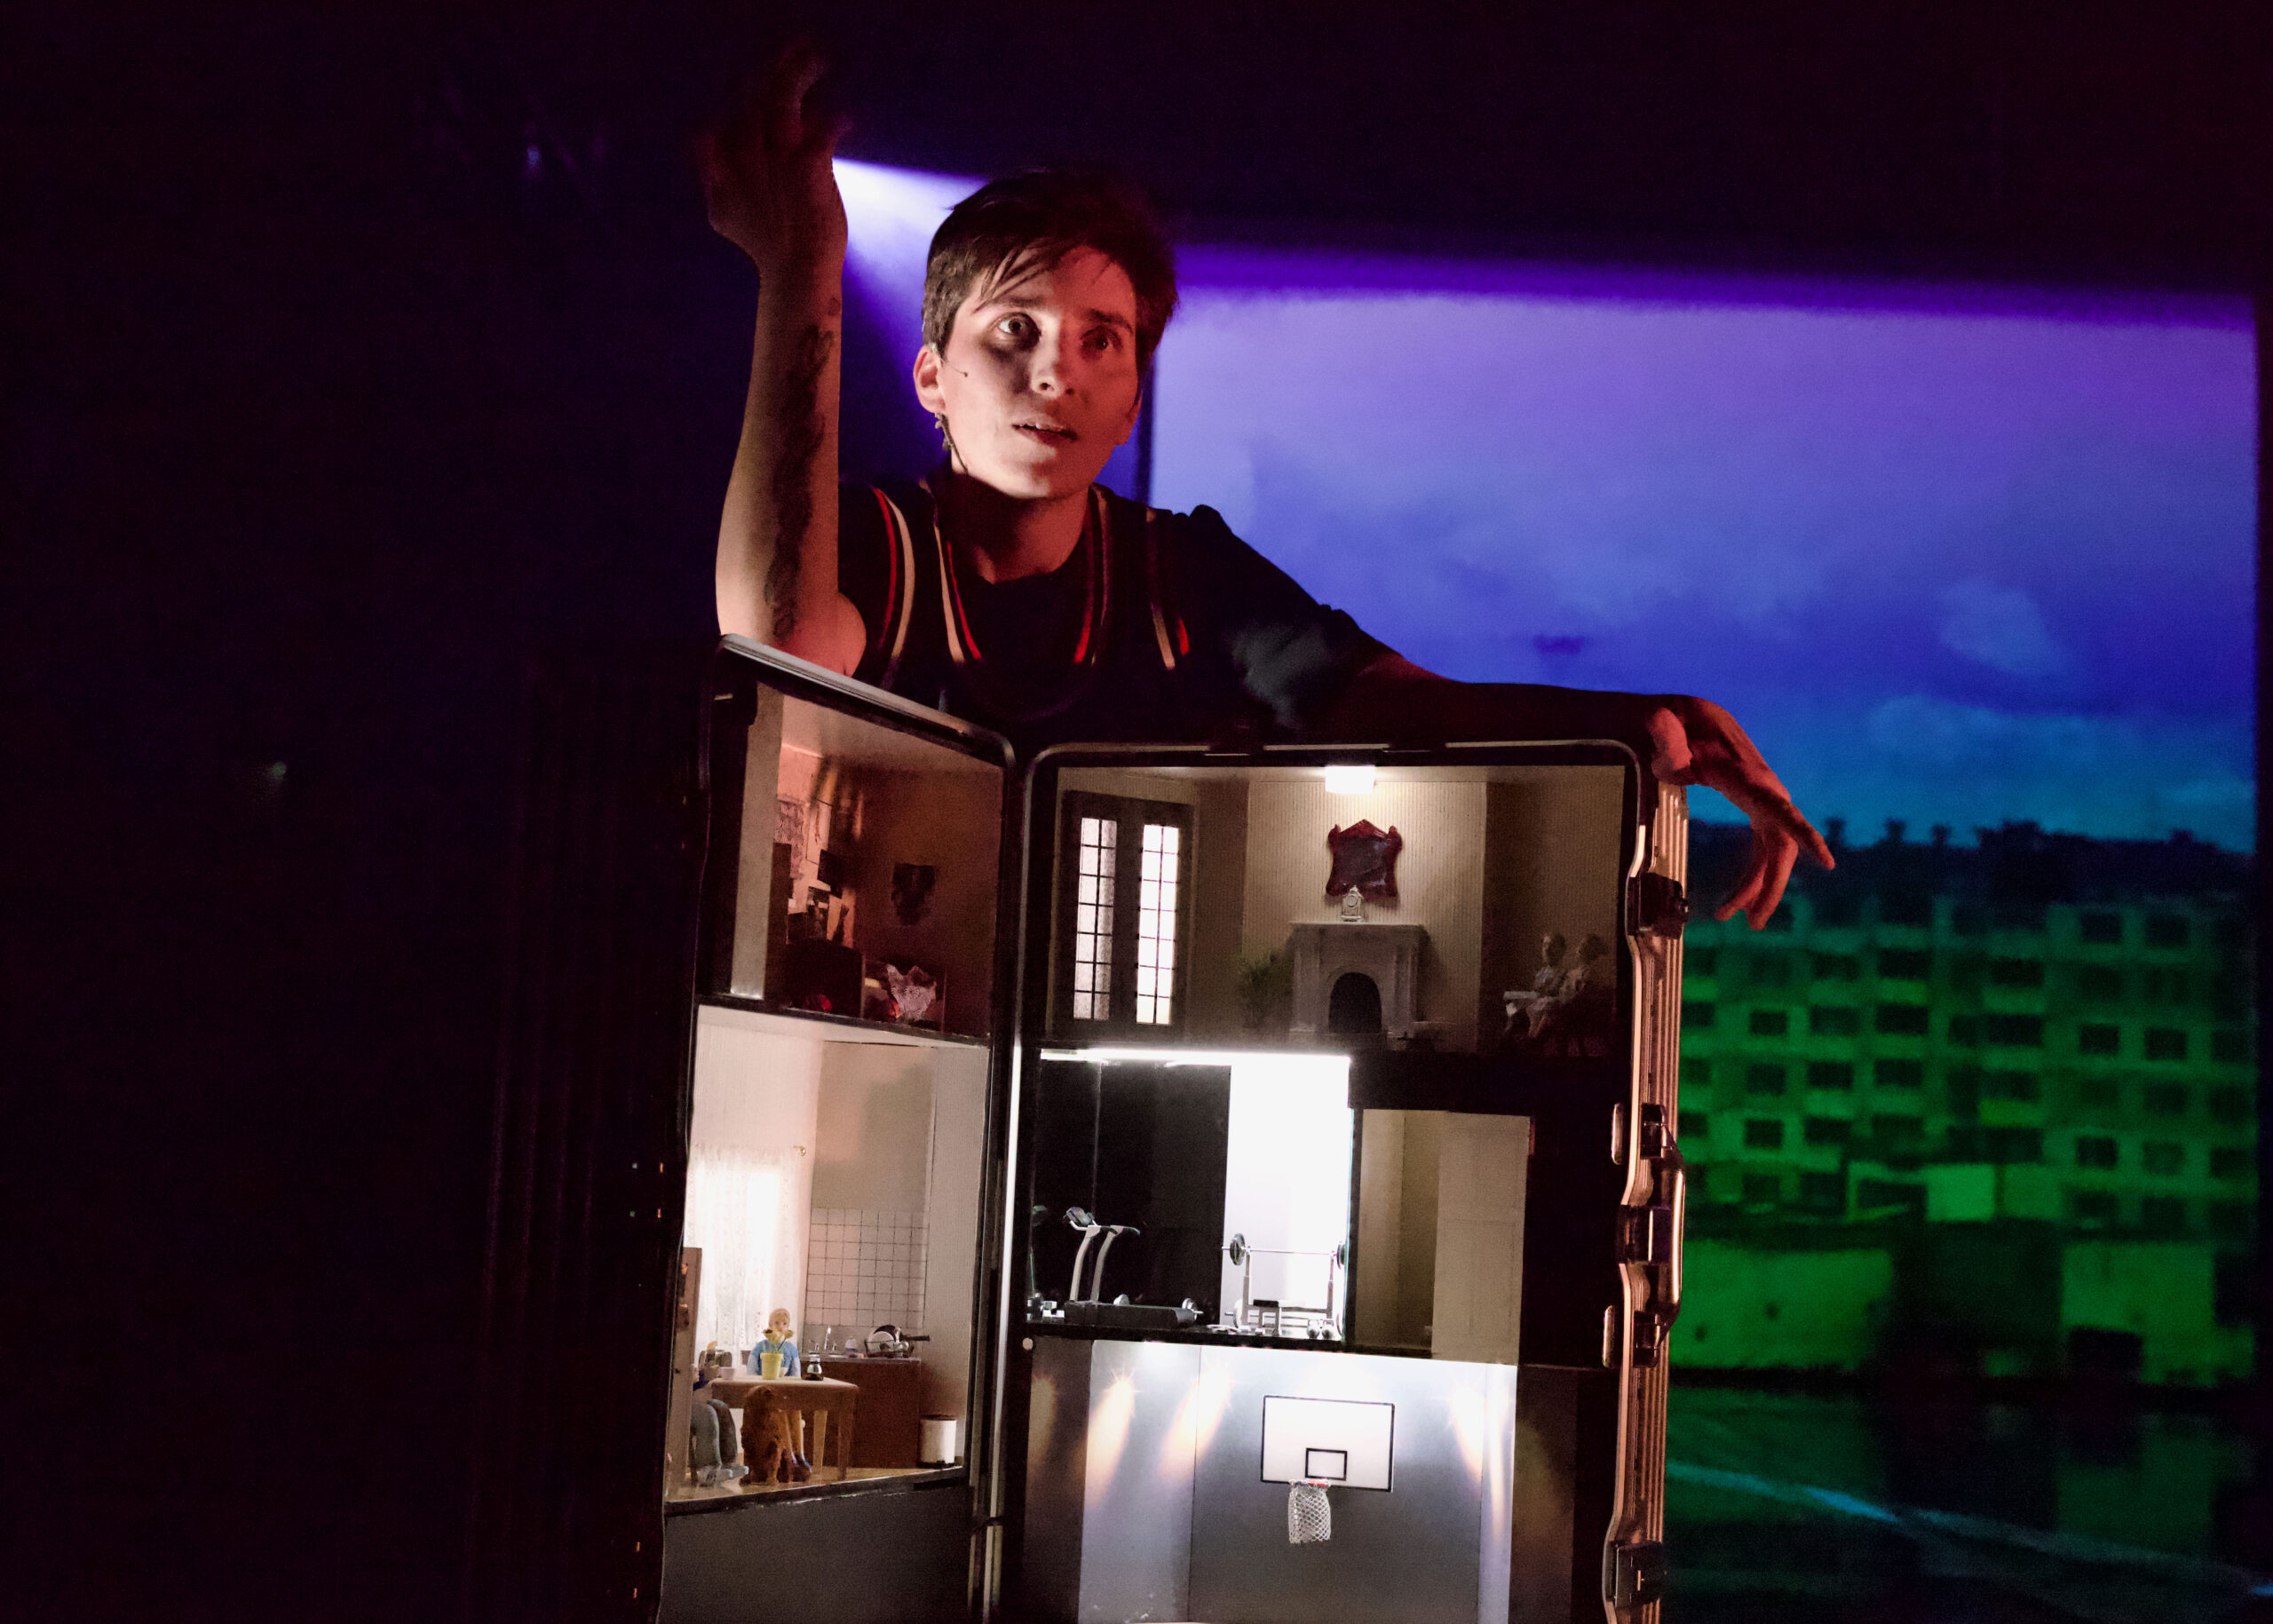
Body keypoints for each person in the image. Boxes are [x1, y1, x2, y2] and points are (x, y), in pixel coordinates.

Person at [700, 45, 1831, 926]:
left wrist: (1641, 718)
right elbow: (780, 641)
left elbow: (1396, 703)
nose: (1056, 371)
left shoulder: (1177, 572)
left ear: (1132, 400)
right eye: (1014, 330)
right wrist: (800, 268)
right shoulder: (881, 546)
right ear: (931, 377)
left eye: (1102, 339)